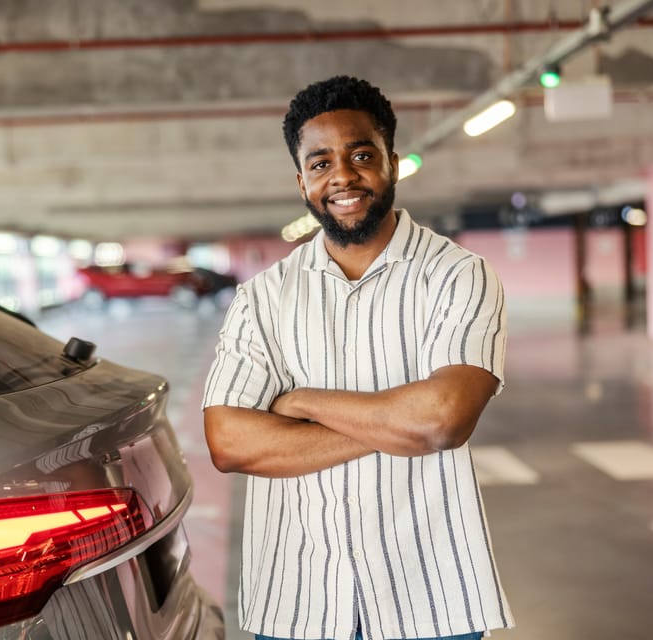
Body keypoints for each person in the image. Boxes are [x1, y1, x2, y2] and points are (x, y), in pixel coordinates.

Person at [202, 75, 513, 640]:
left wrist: (300, 403)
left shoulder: (457, 275)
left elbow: (443, 418)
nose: (342, 175)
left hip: (431, 597)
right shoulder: (263, 297)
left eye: (361, 155)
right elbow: (228, 442)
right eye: (320, 163)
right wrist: (402, 426)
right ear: (302, 182)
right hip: (297, 597)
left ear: (393, 163)